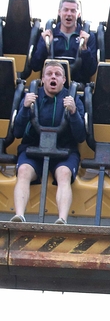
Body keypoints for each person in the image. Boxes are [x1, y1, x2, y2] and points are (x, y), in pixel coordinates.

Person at [11, 60, 85, 224]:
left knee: (64, 174)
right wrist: (24, 108)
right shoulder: (31, 97)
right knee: (23, 171)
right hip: (33, 149)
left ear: (64, 80)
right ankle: (19, 217)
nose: (53, 77)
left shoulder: (73, 99)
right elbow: (16, 132)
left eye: (57, 74)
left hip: (64, 151)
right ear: (43, 78)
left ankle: (62, 220)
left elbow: (81, 136)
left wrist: (73, 113)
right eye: (49, 74)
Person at [30, 0, 98, 84]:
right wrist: (45, 45)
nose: (69, 14)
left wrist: (84, 49)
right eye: (65, 10)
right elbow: (35, 66)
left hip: (77, 86)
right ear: (59, 12)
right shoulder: (48, 35)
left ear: (78, 14)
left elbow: (91, 70)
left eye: (73, 11)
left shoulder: (89, 37)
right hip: (50, 85)